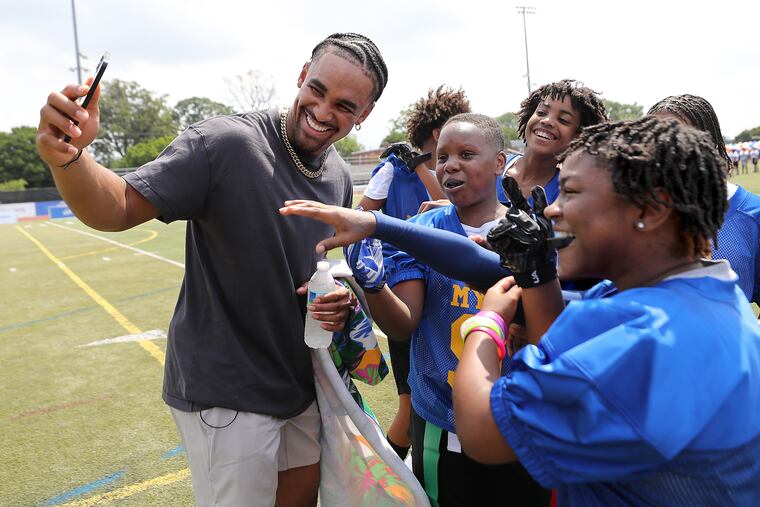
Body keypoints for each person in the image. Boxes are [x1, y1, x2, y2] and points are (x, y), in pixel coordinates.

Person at [37, 32, 388, 506]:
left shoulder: (339, 175)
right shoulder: (226, 144)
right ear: (302, 76)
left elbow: (311, 269)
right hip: (228, 390)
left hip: (300, 385)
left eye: (345, 106)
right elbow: (116, 207)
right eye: (318, 90)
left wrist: (336, 299)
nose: (324, 111)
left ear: (364, 114)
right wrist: (71, 157)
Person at [453, 117, 760, 505]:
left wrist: (486, 323)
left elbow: (483, 432)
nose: (552, 211)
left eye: (572, 192)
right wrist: (538, 273)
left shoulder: (644, 341)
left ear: (651, 208)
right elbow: (559, 331)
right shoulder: (708, 290)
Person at [342, 113, 549, 506]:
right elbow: (403, 325)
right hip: (442, 415)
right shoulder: (422, 229)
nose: (450, 164)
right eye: (442, 156)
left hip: (521, 416)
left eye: (467, 154)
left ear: (499, 163)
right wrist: (375, 286)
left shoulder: (530, 230)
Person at [357, 85, 471, 461]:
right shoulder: (393, 167)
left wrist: (422, 166)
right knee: (410, 409)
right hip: (406, 297)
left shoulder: (444, 173)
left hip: (446, 301)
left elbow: (448, 203)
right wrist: (389, 169)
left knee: (416, 411)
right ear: (439, 132)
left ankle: (388, 484)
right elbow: (365, 211)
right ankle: (388, 486)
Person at [648, 94, 760, 306]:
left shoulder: (753, 215)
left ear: (711, 143)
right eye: (655, 139)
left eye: (678, 139)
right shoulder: (630, 215)